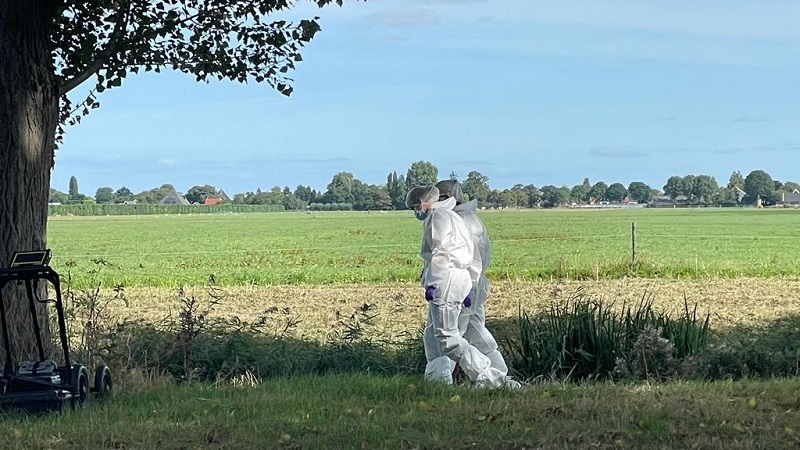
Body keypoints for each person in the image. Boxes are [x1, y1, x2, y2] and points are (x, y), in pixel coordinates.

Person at [405, 185, 505, 387]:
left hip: (453, 281)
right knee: (468, 334)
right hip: (463, 282)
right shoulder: (455, 217)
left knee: (447, 338)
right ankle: (497, 378)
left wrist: (435, 283)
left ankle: (488, 377)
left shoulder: (447, 217)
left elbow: (444, 254)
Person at [435, 179, 519, 389]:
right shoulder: (466, 219)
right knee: (476, 333)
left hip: (458, 288)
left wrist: (465, 288)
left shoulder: (460, 222)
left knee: (445, 339)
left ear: (445, 198)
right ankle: (502, 377)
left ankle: (440, 382)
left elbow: (471, 260)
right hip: (470, 287)